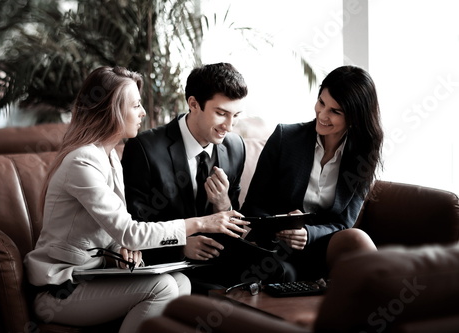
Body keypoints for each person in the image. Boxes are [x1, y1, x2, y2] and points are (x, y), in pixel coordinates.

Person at [23, 66, 247, 333]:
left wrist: (121, 250)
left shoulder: (109, 158)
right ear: (112, 110)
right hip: (60, 289)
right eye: (136, 105)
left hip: (94, 276)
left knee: (182, 283)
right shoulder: (81, 162)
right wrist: (201, 223)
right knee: (162, 287)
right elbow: (130, 231)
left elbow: (117, 231)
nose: (143, 113)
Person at [241, 65, 382, 283]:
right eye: (322, 103)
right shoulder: (284, 138)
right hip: (279, 247)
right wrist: (282, 225)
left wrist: (309, 233)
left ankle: (387, 299)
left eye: (335, 111)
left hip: (324, 245)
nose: (322, 115)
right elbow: (252, 206)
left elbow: (344, 222)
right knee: (280, 270)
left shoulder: (363, 155)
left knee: (357, 238)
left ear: (354, 117)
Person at [121, 62, 248, 291]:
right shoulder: (145, 149)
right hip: (169, 268)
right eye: (221, 113)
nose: (229, 126)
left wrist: (223, 203)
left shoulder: (235, 147)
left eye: (236, 115)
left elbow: (237, 224)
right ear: (193, 104)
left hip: (221, 263)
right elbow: (133, 227)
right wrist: (179, 246)